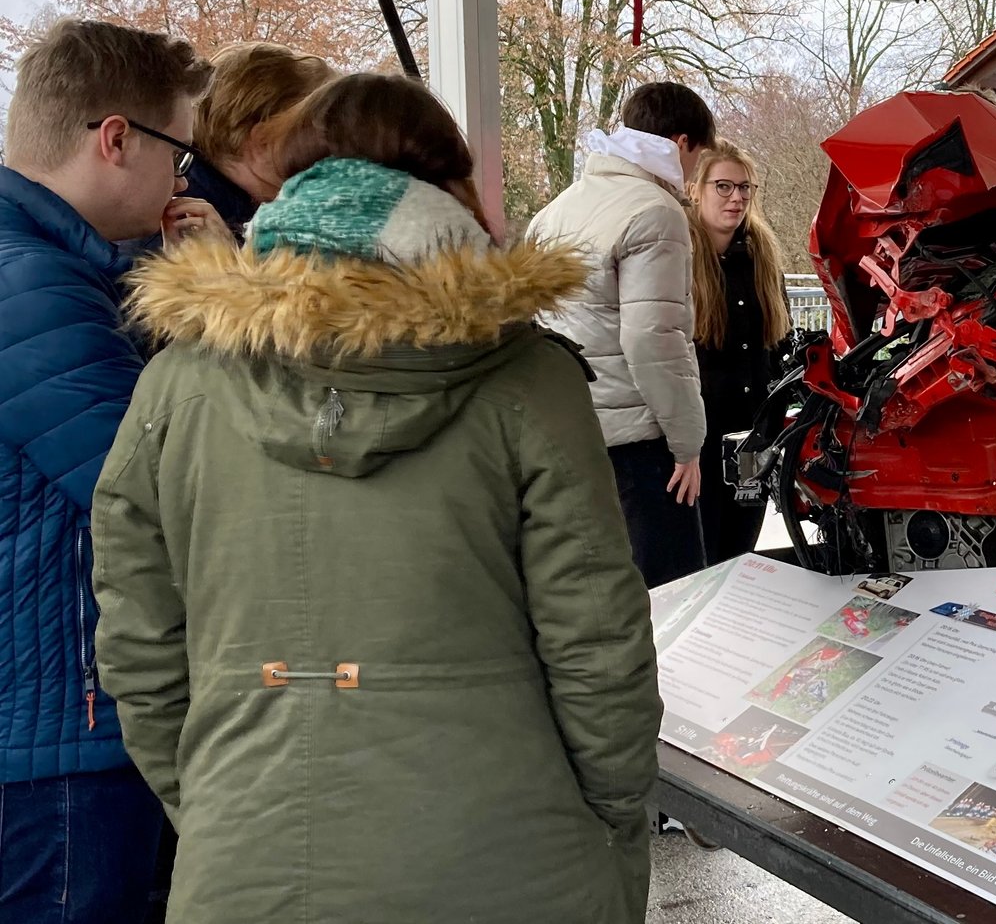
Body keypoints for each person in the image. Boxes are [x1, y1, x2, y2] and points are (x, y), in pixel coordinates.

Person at [89, 73, 663, 923]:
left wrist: (217, 801)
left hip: (247, 862)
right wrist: (616, 820)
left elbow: (138, 646)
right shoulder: (529, 382)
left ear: (289, 186)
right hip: (514, 858)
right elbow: (599, 645)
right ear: (450, 188)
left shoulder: (176, 384)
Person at [0, 18, 215, 923]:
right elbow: (169, 491)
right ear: (117, 138)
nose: (183, 181)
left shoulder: (54, 270)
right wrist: (219, 299)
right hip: (64, 733)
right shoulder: (33, 288)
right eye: (180, 154)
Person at [528, 80, 714, 586]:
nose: (693, 173)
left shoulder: (556, 210)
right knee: (672, 598)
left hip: (573, 433)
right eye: (698, 158)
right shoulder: (655, 211)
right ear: (681, 144)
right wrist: (687, 443)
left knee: (599, 595)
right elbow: (653, 339)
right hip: (641, 445)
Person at [117, 41, 335, 256]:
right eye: (319, 143)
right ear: (263, 143)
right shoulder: (182, 228)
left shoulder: (222, 208)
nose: (332, 160)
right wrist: (229, 268)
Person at [686, 137, 794, 565]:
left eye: (745, 188)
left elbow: (779, 344)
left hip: (753, 439)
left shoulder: (763, 257)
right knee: (700, 555)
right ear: (697, 189)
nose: (737, 198)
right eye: (724, 186)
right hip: (698, 440)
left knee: (740, 555)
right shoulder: (678, 254)